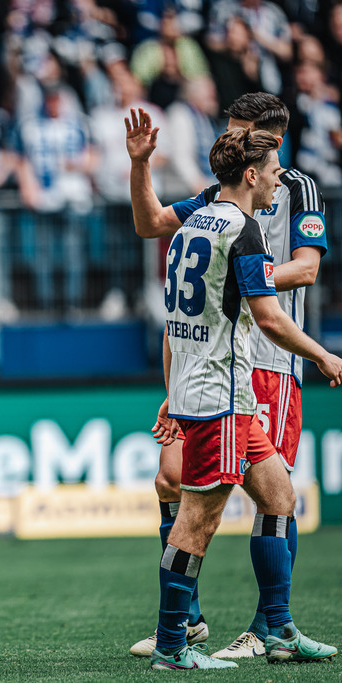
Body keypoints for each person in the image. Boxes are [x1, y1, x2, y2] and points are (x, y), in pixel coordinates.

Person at [126, 93, 330, 659]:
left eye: (244, 134)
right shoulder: (226, 213)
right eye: (233, 133)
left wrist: (247, 277)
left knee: (277, 494)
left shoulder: (279, 195)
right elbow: (151, 225)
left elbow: (306, 269)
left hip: (254, 368)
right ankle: (180, 632)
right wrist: (141, 164)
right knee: (187, 499)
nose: (234, 141)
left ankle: (273, 626)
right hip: (223, 372)